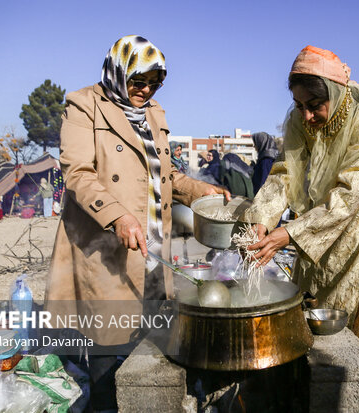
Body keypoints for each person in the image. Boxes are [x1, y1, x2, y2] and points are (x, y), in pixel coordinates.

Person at [44, 35, 229, 412]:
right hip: (104, 246)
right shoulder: (84, 105)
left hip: (152, 245)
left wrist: (200, 191)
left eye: (154, 83)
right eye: (138, 81)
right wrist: (117, 216)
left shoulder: (154, 114)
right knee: (107, 343)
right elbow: (77, 173)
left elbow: (167, 175)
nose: (146, 90)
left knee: (150, 339)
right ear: (118, 71)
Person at [242, 46, 359, 375]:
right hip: (330, 202)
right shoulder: (299, 118)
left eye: (314, 106)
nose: (306, 116)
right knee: (318, 284)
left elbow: (352, 191)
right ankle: (318, 373)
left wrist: (291, 232)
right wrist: (261, 220)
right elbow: (285, 172)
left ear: (332, 92)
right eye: (299, 106)